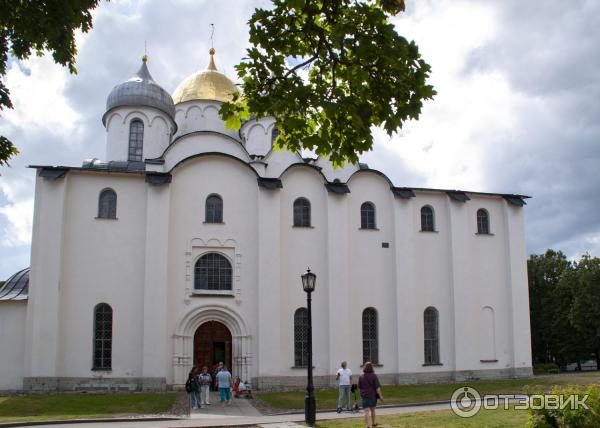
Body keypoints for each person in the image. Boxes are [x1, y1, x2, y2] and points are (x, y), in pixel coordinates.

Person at [358, 362, 383, 428]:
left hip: (365, 396)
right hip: (373, 396)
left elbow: (360, 387)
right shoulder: (374, 376)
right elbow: (377, 388)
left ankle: (367, 425)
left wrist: (361, 394)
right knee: (373, 410)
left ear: (364, 367)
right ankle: (373, 423)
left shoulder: (361, 376)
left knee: (366, 411)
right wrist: (380, 396)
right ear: (372, 367)